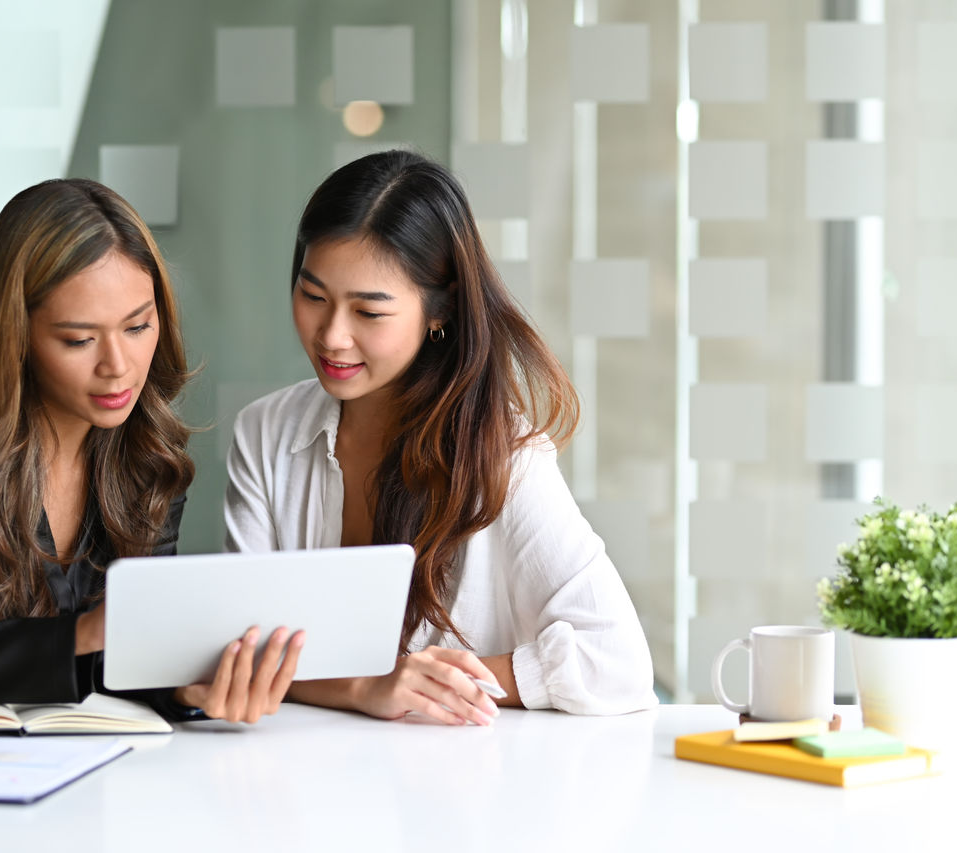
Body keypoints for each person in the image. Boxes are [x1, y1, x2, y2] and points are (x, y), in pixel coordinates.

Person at [0, 178, 301, 723]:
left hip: (102, 771)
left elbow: (129, 659)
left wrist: (184, 689)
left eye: (137, 326)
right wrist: (79, 635)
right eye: (79, 340)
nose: (118, 365)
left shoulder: (148, 451)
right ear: (15, 335)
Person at [223, 151, 657, 724]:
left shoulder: (503, 456)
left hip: (459, 789)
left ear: (438, 310)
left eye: (369, 313)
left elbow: (618, 662)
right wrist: (367, 686)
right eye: (313, 297)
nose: (331, 336)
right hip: (301, 784)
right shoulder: (265, 432)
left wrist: (428, 682)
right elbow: (241, 654)